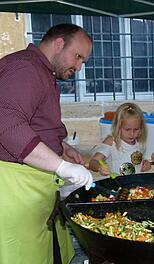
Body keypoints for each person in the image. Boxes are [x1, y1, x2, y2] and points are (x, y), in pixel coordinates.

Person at [0, 24, 93, 263]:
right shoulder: (26, 68)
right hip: (15, 190)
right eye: (78, 56)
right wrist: (61, 166)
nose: (79, 67)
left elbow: (34, 124)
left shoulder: (43, 72)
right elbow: (7, 123)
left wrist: (61, 148)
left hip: (36, 188)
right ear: (59, 43)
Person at [89, 102, 151, 175]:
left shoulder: (140, 142)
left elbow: (138, 161)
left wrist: (146, 164)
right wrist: (99, 167)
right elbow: (93, 161)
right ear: (118, 127)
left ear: (141, 128)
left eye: (136, 129)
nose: (132, 134)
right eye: (127, 129)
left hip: (137, 184)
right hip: (117, 184)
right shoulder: (111, 142)